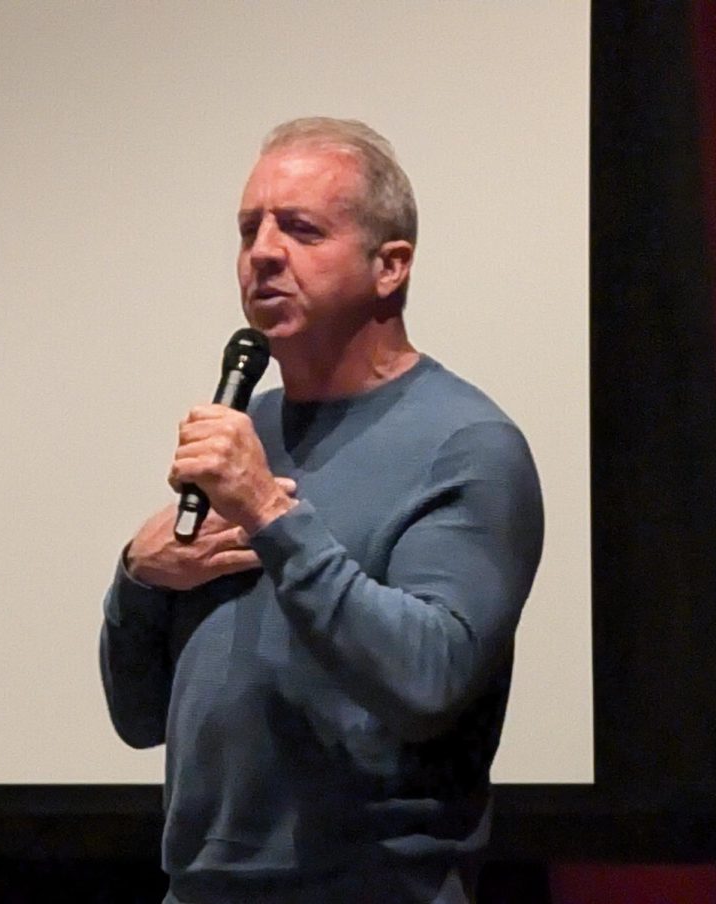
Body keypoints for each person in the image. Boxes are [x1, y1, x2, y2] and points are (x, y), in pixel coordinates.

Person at [100, 117, 544, 904]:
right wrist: (138, 581)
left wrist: (272, 513)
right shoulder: (250, 430)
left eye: (301, 229)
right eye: (250, 229)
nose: (263, 252)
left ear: (390, 267)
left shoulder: (466, 445)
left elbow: (429, 681)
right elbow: (140, 717)